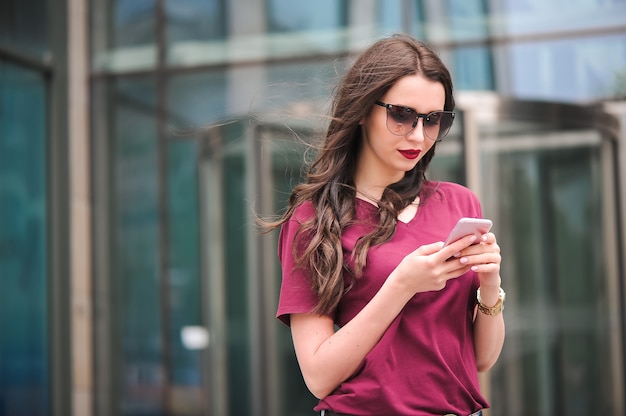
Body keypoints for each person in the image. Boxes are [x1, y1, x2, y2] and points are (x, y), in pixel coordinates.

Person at [268, 34, 505, 416]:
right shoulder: (314, 219)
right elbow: (318, 376)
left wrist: (491, 286)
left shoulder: (459, 202)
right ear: (363, 109)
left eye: (433, 120)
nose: (417, 135)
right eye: (401, 115)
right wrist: (402, 285)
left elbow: (481, 360)